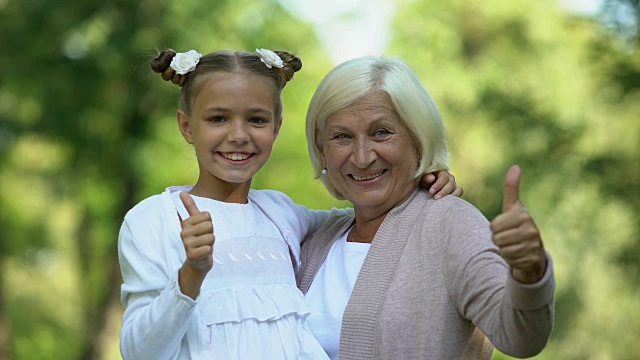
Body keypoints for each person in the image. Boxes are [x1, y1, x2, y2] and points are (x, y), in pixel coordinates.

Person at [118, 48, 461, 359]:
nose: (239, 135)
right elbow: (139, 352)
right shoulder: (153, 221)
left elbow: (365, 215)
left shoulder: (280, 214)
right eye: (217, 119)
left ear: (276, 127)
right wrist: (190, 275)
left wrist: (421, 185)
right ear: (187, 126)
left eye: (256, 119)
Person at [298, 56, 555, 360]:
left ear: (418, 140)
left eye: (381, 132)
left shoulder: (449, 223)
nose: (362, 157)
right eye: (342, 136)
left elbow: (521, 337)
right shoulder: (310, 236)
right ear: (322, 151)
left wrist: (530, 272)